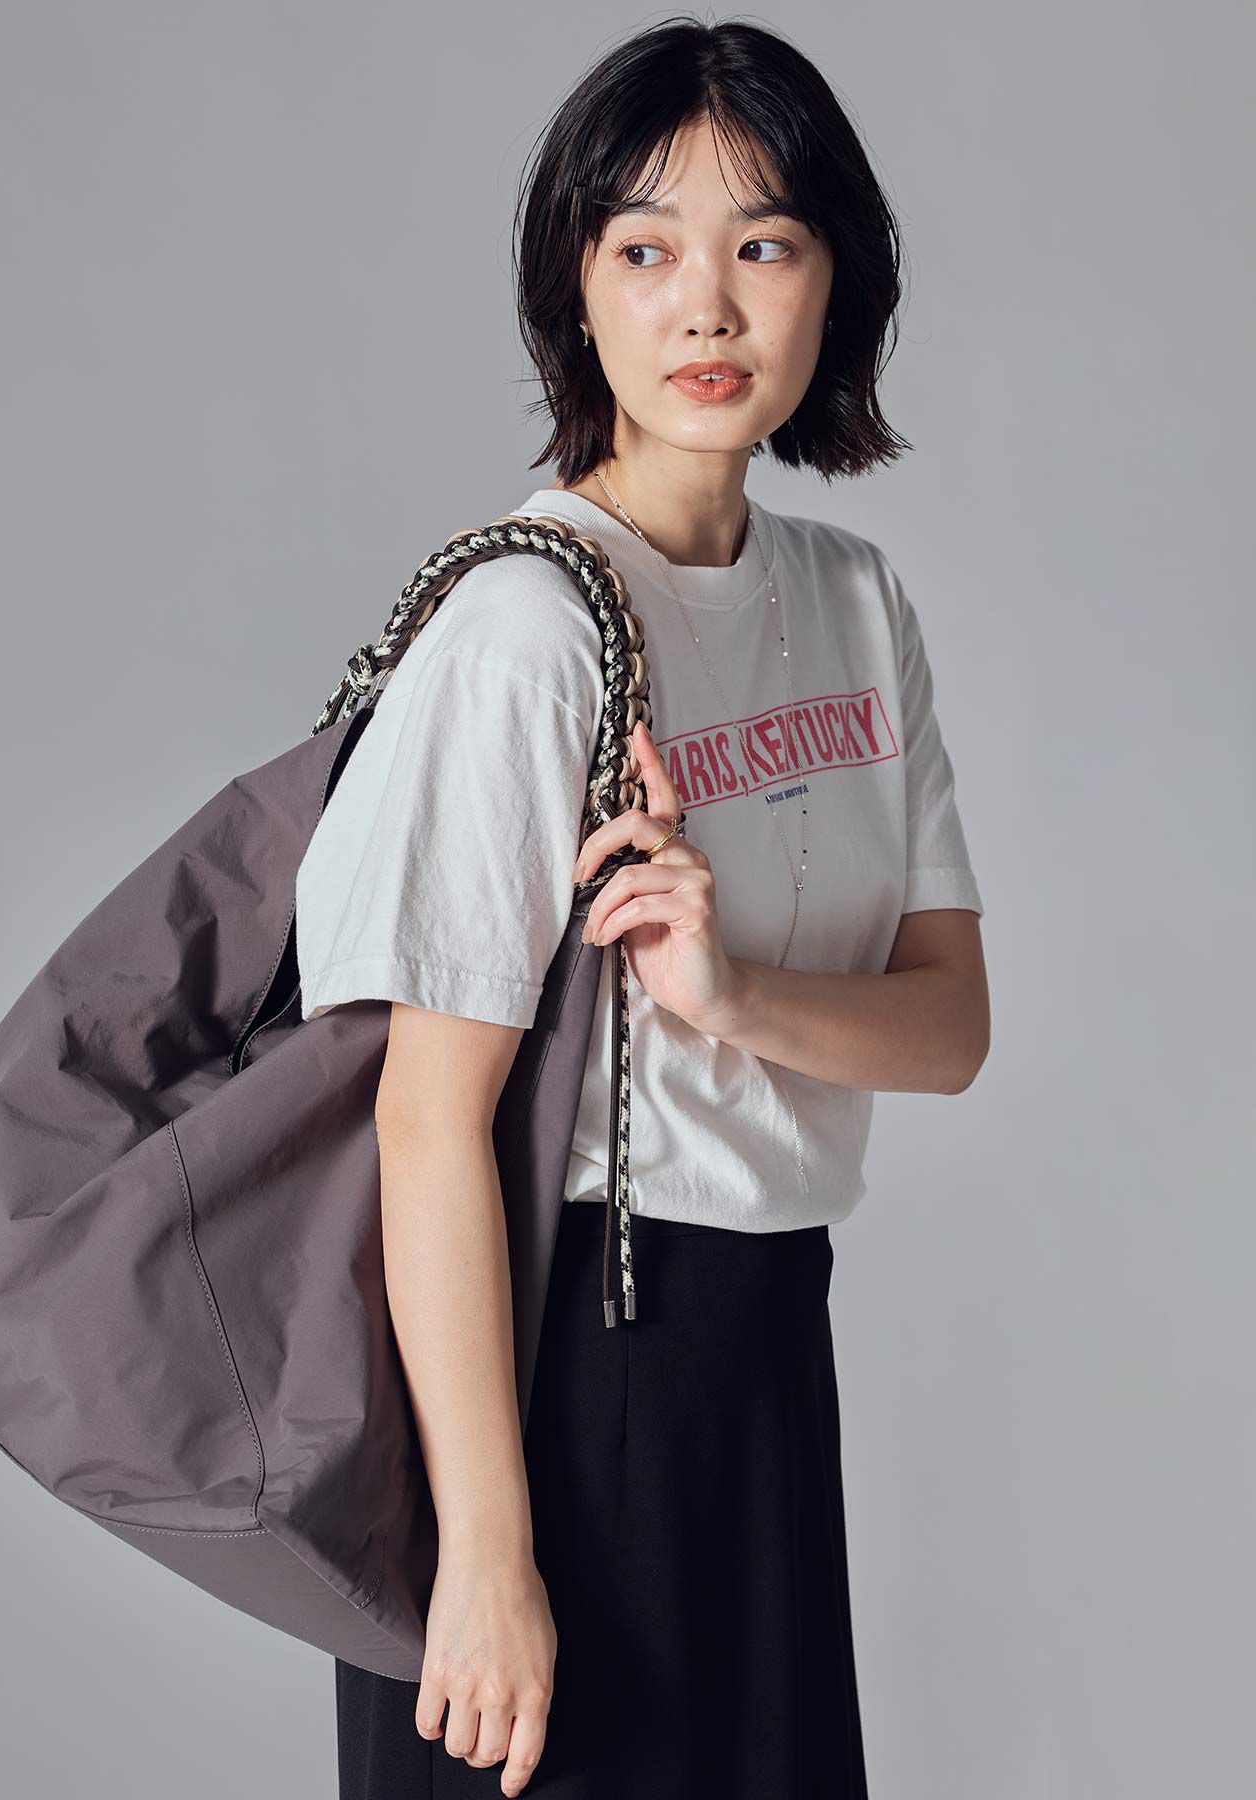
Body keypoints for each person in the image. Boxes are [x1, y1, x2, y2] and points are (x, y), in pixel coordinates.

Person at [294, 16, 989, 1797]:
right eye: (646, 250)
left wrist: (730, 993)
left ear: (836, 282)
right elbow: (425, 1124)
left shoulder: (854, 604)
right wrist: (484, 1555)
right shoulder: (522, 634)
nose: (708, 307)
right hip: (552, 1370)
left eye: (764, 243)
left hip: (764, 1352)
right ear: (577, 290)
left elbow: (948, 1029)